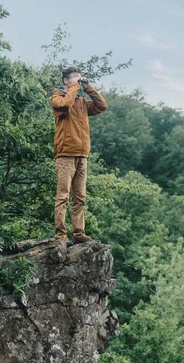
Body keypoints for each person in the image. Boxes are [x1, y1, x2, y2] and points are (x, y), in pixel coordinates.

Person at [50, 65, 108, 246]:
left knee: (80, 197)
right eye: (73, 79)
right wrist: (74, 87)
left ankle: (78, 232)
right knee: (63, 196)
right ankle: (60, 235)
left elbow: (102, 106)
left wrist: (89, 88)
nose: (77, 82)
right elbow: (65, 104)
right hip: (66, 154)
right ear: (65, 81)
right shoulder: (57, 98)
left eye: (78, 78)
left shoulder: (82, 102)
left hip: (82, 155)